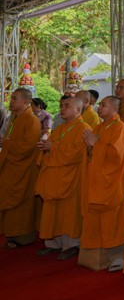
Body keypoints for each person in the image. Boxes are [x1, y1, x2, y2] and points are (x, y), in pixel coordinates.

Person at [35, 97, 90, 260]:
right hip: (54, 177)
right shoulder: (59, 128)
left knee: (69, 213)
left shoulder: (84, 128)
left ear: (78, 110)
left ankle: (71, 245)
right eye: (61, 106)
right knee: (52, 212)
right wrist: (45, 148)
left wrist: (54, 147)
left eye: (67, 106)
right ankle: (54, 243)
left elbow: (77, 154)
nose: (62, 108)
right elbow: (50, 148)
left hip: (71, 177)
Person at [80, 96, 124, 271]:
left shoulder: (121, 128)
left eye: (103, 105)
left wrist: (96, 144)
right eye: (99, 105)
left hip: (112, 182)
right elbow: (90, 152)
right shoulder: (99, 127)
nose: (99, 108)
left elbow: (116, 157)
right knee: (93, 218)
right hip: (95, 181)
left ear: (115, 109)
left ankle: (116, 256)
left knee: (112, 219)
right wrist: (89, 147)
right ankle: (95, 257)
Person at [0, 88, 42, 248]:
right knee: (8, 199)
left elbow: (28, 147)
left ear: (26, 101)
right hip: (10, 166)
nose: (11, 102)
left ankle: (24, 237)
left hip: (24, 169)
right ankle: (11, 234)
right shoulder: (14, 118)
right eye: (11, 98)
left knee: (22, 203)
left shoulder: (32, 120)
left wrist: (7, 144)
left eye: (14, 99)